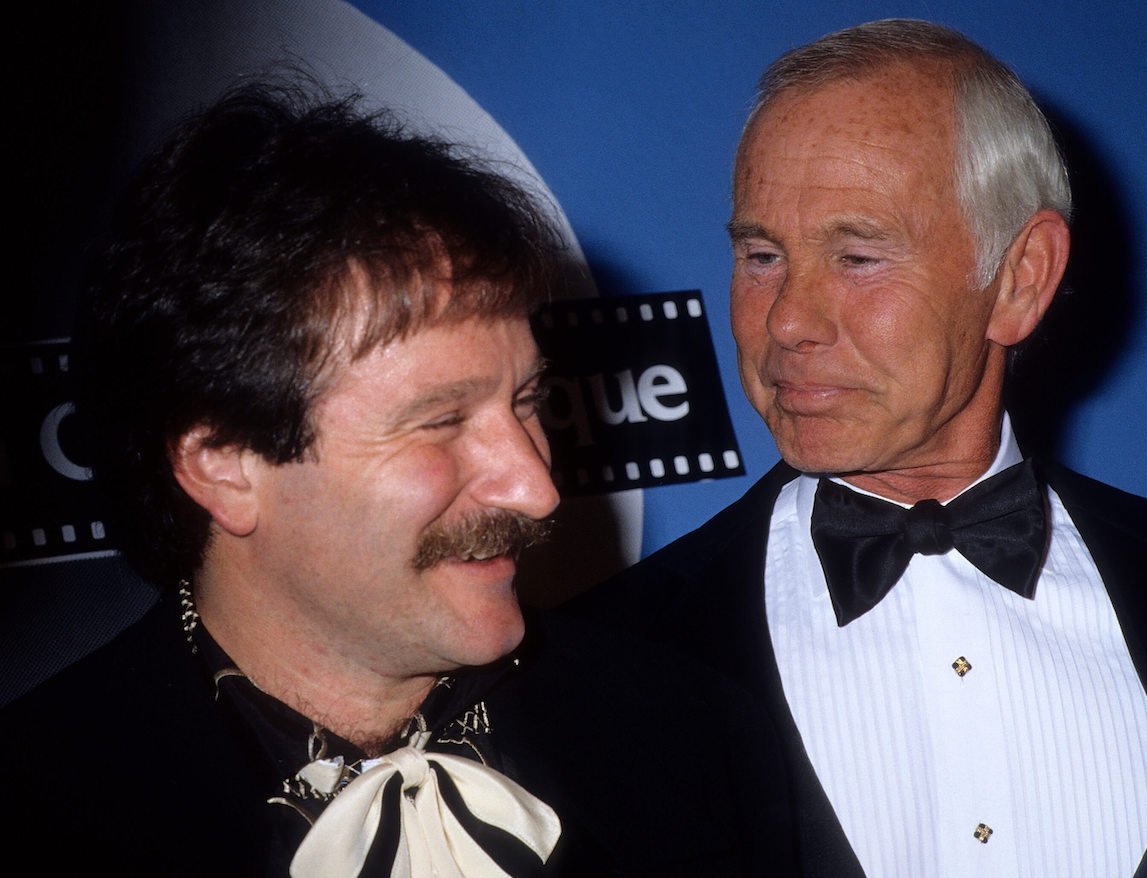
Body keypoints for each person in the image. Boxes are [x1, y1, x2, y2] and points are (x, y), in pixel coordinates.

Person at [1, 83, 792, 876]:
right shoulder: (42, 810)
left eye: (527, 402)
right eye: (441, 422)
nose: (535, 487)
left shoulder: (684, 731)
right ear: (223, 464)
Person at [580, 19, 1147, 877]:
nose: (788, 321)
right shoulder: (599, 666)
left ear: (1020, 279)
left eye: (859, 256)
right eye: (762, 255)